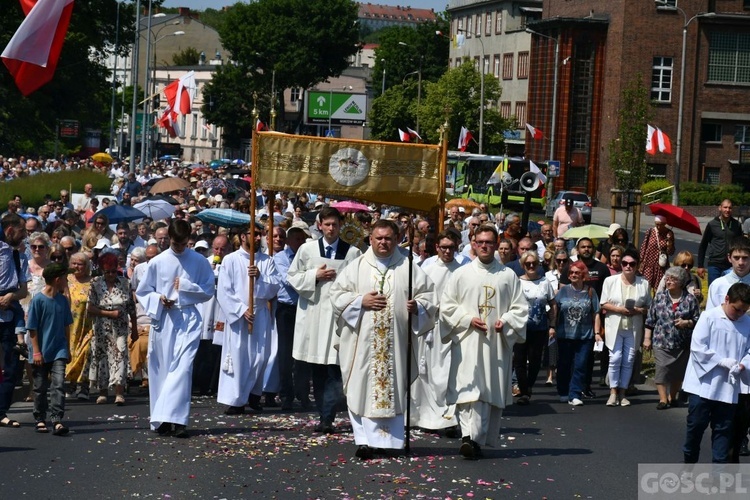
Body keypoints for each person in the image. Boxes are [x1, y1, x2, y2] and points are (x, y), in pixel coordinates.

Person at [330, 219, 437, 460]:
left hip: (396, 344)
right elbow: (336, 295)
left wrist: (417, 306)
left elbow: (429, 296)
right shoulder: (357, 266)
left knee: (393, 386)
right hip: (362, 344)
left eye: (388, 238)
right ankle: (364, 441)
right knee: (361, 387)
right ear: (370, 239)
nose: (383, 242)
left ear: (397, 239)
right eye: (378, 238)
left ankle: (391, 442)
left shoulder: (408, 267)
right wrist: (360, 302)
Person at [439, 224, 527, 459]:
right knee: (468, 392)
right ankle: (469, 438)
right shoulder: (461, 274)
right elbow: (447, 307)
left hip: (495, 344)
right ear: (474, 245)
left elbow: (520, 308)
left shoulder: (508, 276)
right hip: (467, 342)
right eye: (480, 242)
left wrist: (506, 321)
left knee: (486, 393)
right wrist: (467, 319)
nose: (485, 246)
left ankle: (474, 438)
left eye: (489, 242)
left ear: (496, 245)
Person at [136, 220, 215, 438]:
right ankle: (162, 419)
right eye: (175, 243)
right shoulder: (158, 261)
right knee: (162, 369)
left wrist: (187, 288)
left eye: (182, 244)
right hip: (165, 318)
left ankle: (179, 420)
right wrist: (159, 298)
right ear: (169, 239)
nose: (179, 248)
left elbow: (208, 290)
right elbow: (143, 291)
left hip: (188, 318)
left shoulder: (198, 261)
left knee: (183, 369)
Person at [288, 207, 361, 434]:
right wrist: (314, 277)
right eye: (327, 224)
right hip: (315, 315)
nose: (331, 229)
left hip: (339, 317)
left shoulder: (352, 253)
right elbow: (292, 277)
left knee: (335, 368)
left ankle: (328, 413)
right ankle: (324, 414)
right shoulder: (307, 250)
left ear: (341, 226)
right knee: (317, 368)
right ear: (319, 225)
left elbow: (359, 282)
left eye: (335, 225)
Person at [216, 223, 281, 415]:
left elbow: (274, 287)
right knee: (239, 356)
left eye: (260, 234)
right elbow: (224, 290)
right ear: (243, 236)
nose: (258, 238)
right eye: (253, 234)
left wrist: (260, 278)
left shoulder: (266, 260)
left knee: (260, 357)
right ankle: (236, 400)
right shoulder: (230, 260)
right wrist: (241, 309)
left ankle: (254, 393)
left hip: (259, 313)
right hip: (239, 317)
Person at [681, 283, 750, 464]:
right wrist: (721, 361)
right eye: (737, 309)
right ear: (727, 299)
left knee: (723, 431)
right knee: (695, 427)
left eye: (744, 311)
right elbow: (697, 347)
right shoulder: (709, 317)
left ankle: (718, 476)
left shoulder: (747, 323)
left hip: (728, 387)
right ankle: (689, 464)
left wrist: (743, 365)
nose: (740, 314)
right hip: (702, 385)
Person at [412, 229, 465, 433]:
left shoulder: (461, 270)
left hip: (450, 328)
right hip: (427, 324)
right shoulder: (426, 266)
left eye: (451, 247)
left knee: (446, 375)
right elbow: (418, 292)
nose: (447, 251)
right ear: (437, 247)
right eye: (443, 247)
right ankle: (421, 415)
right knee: (423, 374)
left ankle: (447, 418)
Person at [600, 249, 652, 407]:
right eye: (624, 263)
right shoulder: (610, 281)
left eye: (632, 264)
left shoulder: (644, 283)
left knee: (629, 359)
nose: (628, 266)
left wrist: (638, 310)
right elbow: (603, 303)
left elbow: (648, 306)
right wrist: (619, 309)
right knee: (615, 358)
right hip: (615, 325)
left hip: (633, 326)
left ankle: (623, 392)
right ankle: (613, 392)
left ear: (637, 265)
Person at [643, 266, 700, 410]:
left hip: (682, 343)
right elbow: (650, 319)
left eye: (673, 279)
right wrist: (647, 338)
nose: (668, 281)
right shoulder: (660, 297)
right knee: (661, 369)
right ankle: (663, 399)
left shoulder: (690, 299)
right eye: (667, 278)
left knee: (678, 373)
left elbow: (697, 320)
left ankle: (672, 396)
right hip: (661, 341)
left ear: (681, 282)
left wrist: (686, 323)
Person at [27, 262, 74, 435]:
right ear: (57, 279)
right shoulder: (38, 300)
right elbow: (32, 329)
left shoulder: (62, 301)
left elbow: (66, 327)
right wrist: (37, 351)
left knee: (59, 384)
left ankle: (56, 419)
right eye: (65, 277)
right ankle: (40, 417)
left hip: (59, 350)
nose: (66, 280)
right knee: (40, 387)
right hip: (41, 351)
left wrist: (67, 349)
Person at [87, 252, 138, 405]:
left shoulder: (124, 283)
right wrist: (109, 313)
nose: (110, 275)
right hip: (102, 327)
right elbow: (90, 308)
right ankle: (102, 392)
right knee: (101, 357)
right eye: (107, 271)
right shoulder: (95, 283)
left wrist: (134, 328)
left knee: (120, 355)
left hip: (120, 327)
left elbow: (131, 308)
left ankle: (119, 392)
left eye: (113, 271)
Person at [555, 261, 601, 406]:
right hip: (565, 335)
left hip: (584, 336)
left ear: (583, 275)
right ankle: (563, 391)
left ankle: (575, 394)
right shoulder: (562, 291)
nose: (573, 275)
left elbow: (596, 313)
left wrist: (597, 333)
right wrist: (552, 327)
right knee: (564, 364)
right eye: (571, 272)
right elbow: (555, 310)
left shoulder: (591, 292)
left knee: (580, 365)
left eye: (577, 272)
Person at [514, 251, 557, 406]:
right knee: (519, 361)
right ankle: (524, 391)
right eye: (528, 264)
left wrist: (552, 324)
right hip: (520, 327)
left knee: (535, 361)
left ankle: (529, 386)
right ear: (523, 265)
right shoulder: (517, 282)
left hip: (538, 328)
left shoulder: (545, 282)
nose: (531, 266)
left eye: (534, 263)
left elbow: (552, 304)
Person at [273, 225, 309, 410]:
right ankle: (286, 394)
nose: (301, 243)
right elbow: (289, 280)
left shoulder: (307, 256)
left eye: (303, 240)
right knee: (286, 354)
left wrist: (308, 278)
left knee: (303, 354)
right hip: (286, 308)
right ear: (288, 241)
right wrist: (310, 278)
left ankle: (303, 394)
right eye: (297, 240)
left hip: (304, 308)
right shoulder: (280, 258)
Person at [0, 213, 30, 429]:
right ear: (10, 230)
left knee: (10, 366)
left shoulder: (21, 256)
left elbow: (23, 290)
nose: (24, 236)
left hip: (9, 315)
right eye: (22, 231)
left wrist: (11, 296)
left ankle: (1, 411)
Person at [65, 252, 94, 400]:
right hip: (69, 325)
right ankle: (70, 384)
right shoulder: (66, 280)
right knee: (71, 354)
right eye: (74, 263)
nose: (77, 266)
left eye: (80, 264)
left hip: (87, 324)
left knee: (86, 353)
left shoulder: (93, 282)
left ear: (87, 266)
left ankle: (84, 386)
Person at [697, 199, 743, 285]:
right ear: (720, 208)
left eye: (730, 208)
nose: (727, 210)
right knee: (714, 291)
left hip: (731, 265)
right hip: (714, 264)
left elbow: (740, 245)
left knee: (730, 293)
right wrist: (700, 266)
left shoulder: (737, 225)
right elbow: (703, 245)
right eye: (725, 207)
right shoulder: (712, 224)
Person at [706, 238, 750, 310]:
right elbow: (710, 316)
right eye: (736, 257)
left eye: (745, 258)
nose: (740, 263)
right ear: (729, 258)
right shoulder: (717, 285)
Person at [639, 215, 675, 290]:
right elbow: (644, 247)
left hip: (661, 265)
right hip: (648, 264)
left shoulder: (669, 234)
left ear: (664, 224)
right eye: (656, 224)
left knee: (660, 288)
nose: (658, 226)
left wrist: (669, 244)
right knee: (645, 287)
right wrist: (640, 261)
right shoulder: (650, 232)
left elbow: (671, 252)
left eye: (660, 225)